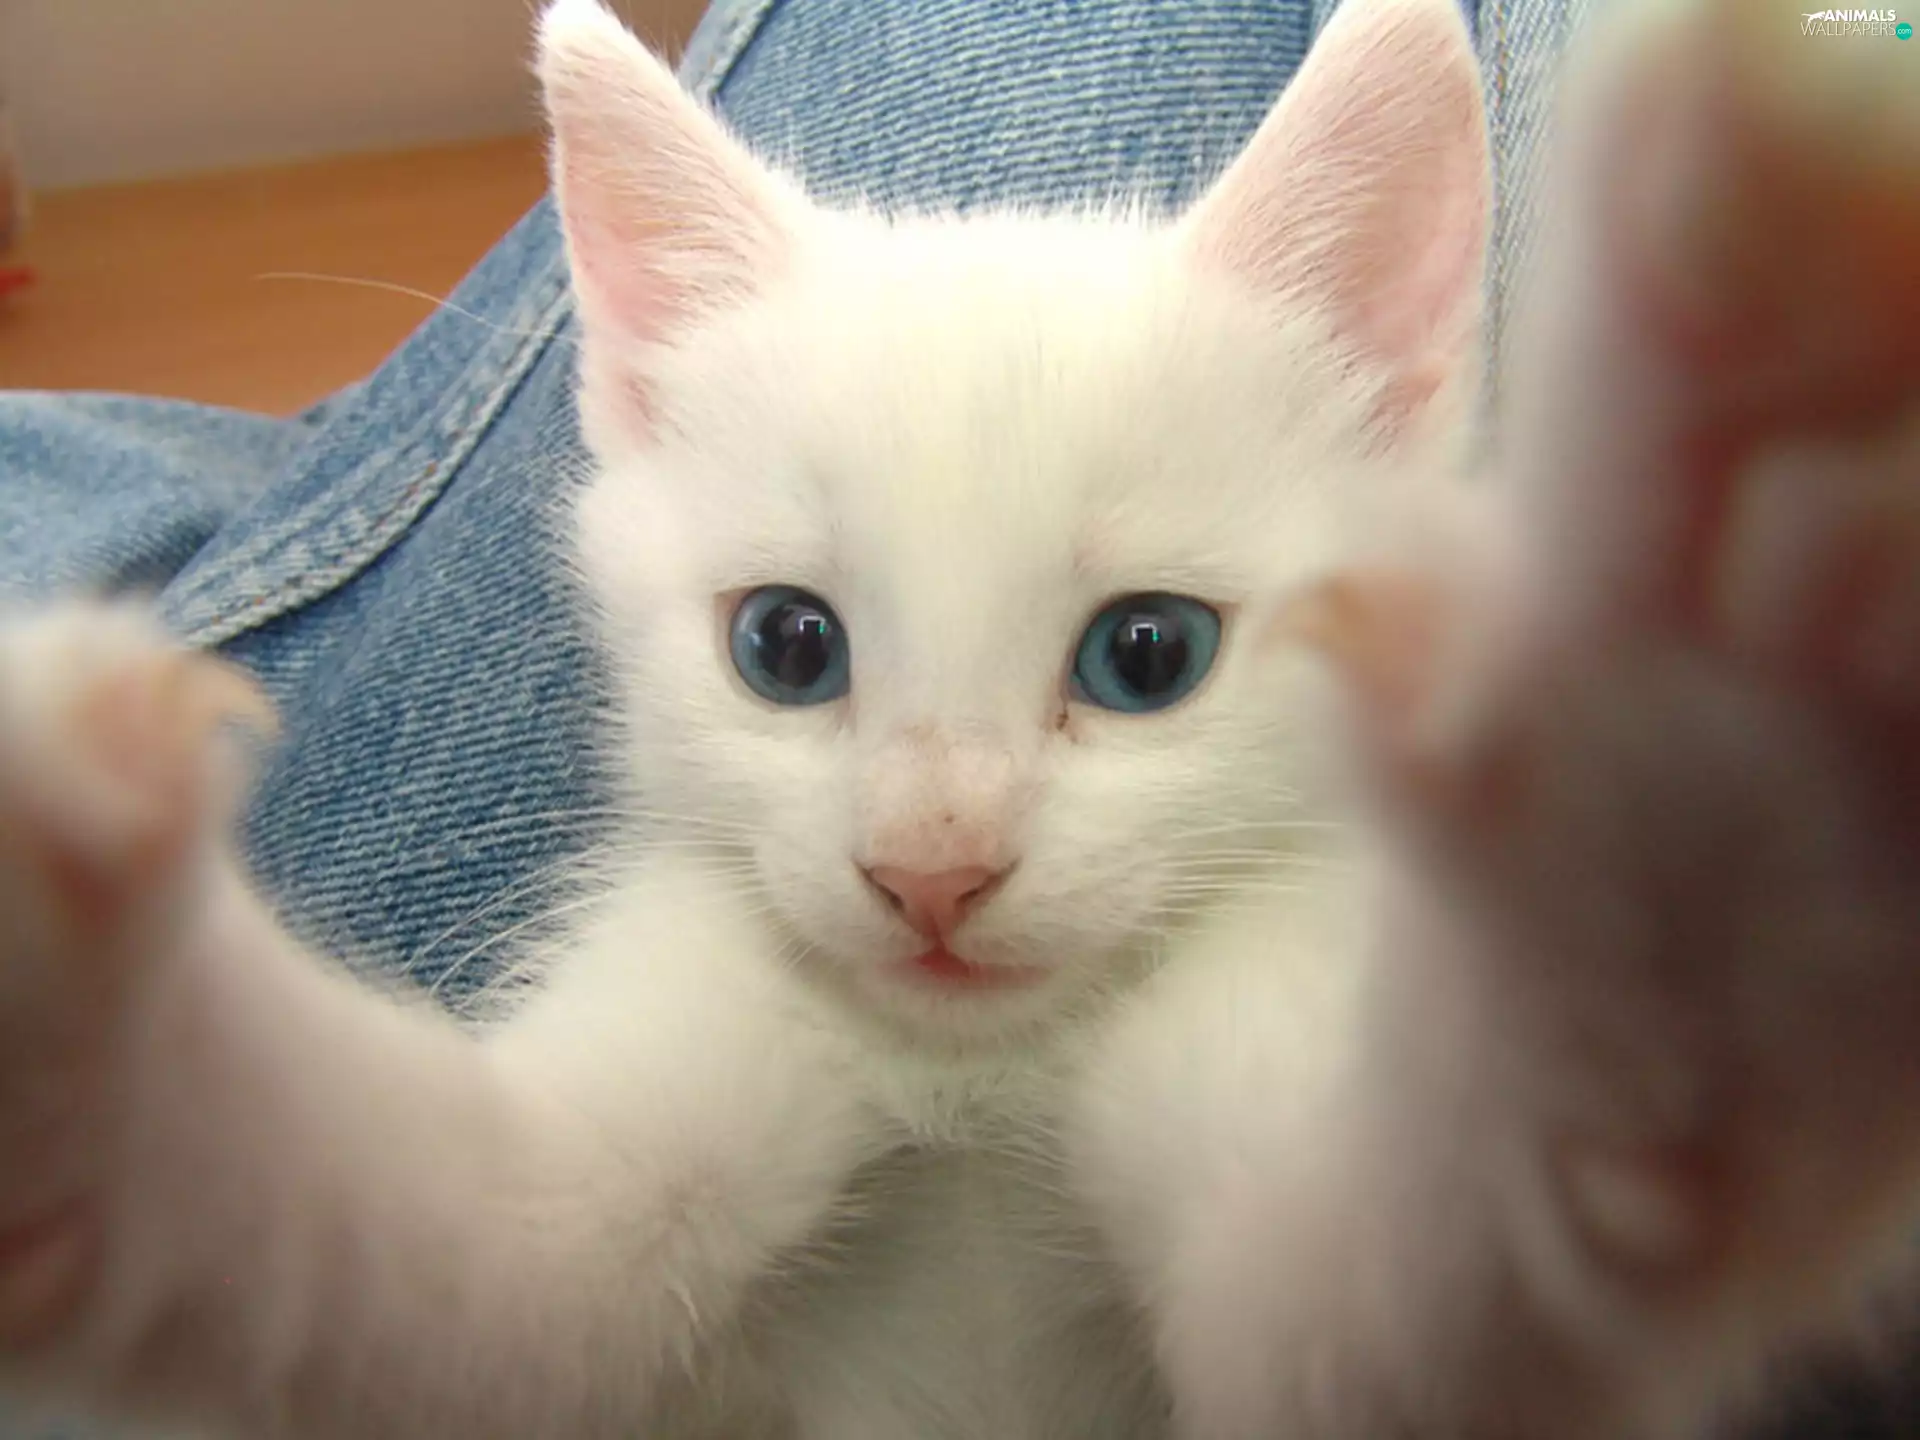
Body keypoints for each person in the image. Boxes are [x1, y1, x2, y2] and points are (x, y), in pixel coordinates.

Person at [2, 0, 1909, 1436]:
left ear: (1400, 417)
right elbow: (523, 1255)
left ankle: (1612, 1075)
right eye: (793, 651)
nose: (933, 851)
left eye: (1143, 654)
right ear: (639, 401)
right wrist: (170, 1082)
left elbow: (1294, 1305)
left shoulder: (1278, 907)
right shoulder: (726, 928)